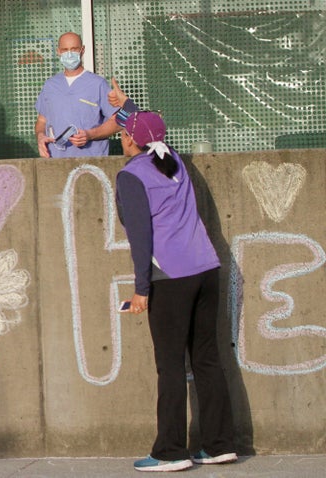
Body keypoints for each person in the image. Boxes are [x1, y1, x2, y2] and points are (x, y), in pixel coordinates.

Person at [112, 83, 237, 472]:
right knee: (207, 359)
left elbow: (140, 238)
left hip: (169, 278)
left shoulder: (132, 175)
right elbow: (151, 129)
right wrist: (126, 106)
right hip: (206, 270)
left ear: (132, 141)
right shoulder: (175, 162)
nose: (120, 137)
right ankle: (218, 445)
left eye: (123, 133)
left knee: (169, 366)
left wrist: (140, 290)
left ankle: (170, 452)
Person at [34, 32, 120, 158]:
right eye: (65, 50)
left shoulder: (97, 84)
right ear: (58, 52)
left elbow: (118, 122)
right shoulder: (50, 85)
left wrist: (90, 135)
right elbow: (42, 121)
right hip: (55, 162)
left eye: (74, 49)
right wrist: (40, 136)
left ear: (82, 50)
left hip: (91, 162)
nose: (69, 54)